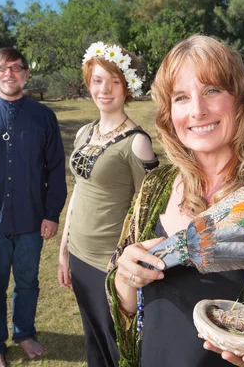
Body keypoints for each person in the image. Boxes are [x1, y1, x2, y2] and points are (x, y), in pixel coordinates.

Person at [106, 35, 244, 367]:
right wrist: (124, 279)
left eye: (211, 90)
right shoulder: (154, 188)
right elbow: (123, 305)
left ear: (239, 102)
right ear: (169, 114)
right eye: (181, 97)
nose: (197, 110)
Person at [57, 42, 158, 366]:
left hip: (109, 264)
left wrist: (131, 266)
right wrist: (63, 248)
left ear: (126, 86)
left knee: (118, 344)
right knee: (93, 341)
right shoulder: (84, 132)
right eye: (98, 80)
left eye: (114, 81)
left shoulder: (137, 142)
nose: (105, 89)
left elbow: (148, 211)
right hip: (78, 255)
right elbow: (79, 191)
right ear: (89, 82)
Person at [0, 48, 67, 367]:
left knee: (27, 283)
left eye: (16, 68)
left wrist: (51, 214)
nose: (9, 73)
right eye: (2, 68)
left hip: (31, 219)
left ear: (26, 74)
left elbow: (55, 169)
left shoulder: (43, 117)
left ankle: (24, 333)